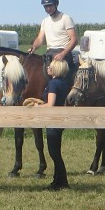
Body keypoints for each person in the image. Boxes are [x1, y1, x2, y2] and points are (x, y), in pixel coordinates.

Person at [36, 59, 71, 190]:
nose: (48, 67)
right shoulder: (63, 83)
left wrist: (37, 107)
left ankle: (63, 182)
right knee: (55, 151)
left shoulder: (53, 83)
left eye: (51, 66)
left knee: (54, 152)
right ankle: (57, 181)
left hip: (53, 120)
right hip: (60, 120)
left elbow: (50, 105)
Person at [27, 0, 78, 67]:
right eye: (46, 6)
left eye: (50, 6)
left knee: (57, 71)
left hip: (63, 53)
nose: (48, 9)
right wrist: (34, 47)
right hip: (49, 53)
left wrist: (63, 54)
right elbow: (40, 39)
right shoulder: (45, 21)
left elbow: (74, 40)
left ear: (56, 4)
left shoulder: (66, 18)